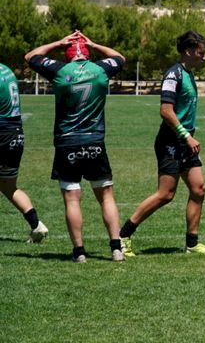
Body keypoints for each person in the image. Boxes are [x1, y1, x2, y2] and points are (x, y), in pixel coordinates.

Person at [26, 31, 126, 262]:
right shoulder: (100, 70)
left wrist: (58, 42)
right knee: (106, 196)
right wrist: (94, 44)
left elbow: (31, 56)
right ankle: (116, 248)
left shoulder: (59, 71)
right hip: (95, 141)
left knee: (72, 199)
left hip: (67, 142)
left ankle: (79, 252)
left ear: (67, 54)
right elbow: (120, 57)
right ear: (88, 54)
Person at [120, 31, 205, 256]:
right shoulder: (174, 75)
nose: (204, 57)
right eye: (201, 53)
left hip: (186, 141)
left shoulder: (189, 74)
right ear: (189, 51)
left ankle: (192, 244)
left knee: (198, 189)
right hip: (171, 141)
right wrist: (186, 136)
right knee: (165, 194)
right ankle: (123, 235)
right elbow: (165, 111)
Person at [0, 62, 48, 243]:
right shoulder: (6, 69)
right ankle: (37, 225)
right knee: (8, 186)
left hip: (2, 133)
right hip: (15, 135)